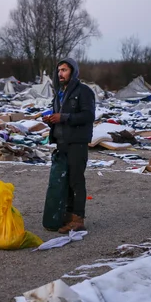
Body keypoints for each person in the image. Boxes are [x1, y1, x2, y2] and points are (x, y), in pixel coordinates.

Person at [42, 58, 96, 233]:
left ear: (73, 72)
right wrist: (51, 120)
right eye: (59, 70)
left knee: (76, 181)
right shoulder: (60, 92)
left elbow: (88, 116)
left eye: (64, 70)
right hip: (62, 143)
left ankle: (78, 218)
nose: (60, 73)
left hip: (77, 143)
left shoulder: (84, 92)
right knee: (65, 181)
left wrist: (63, 117)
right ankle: (68, 214)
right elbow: (60, 116)